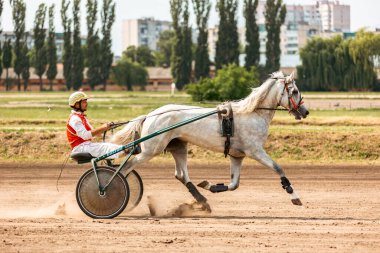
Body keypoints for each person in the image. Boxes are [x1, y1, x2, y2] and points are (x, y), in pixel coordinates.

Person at [66, 91, 123, 159]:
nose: (86, 104)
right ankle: (128, 151)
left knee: (110, 146)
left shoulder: (81, 117)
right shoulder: (75, 119)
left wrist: (106, 128)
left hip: (86, 146)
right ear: (77, 104)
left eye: (86, 102)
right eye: (84, 102)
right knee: (109, 148)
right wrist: (102, 128)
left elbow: (95, 133)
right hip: (81, 148)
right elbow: (86, 135)